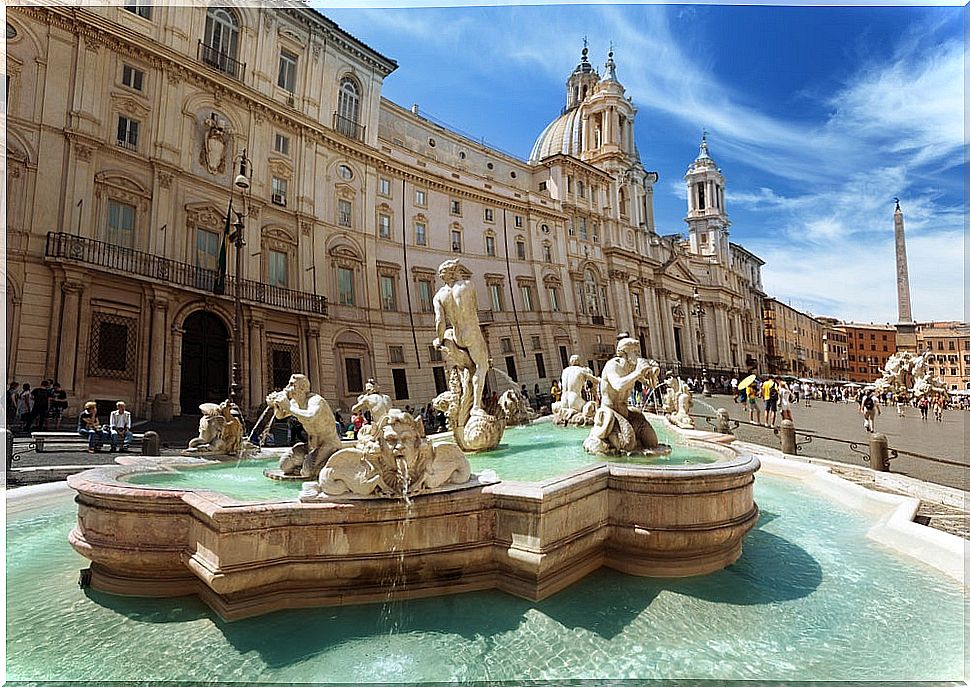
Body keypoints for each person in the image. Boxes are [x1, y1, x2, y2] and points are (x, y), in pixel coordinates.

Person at [432, 259, 491, 415]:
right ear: (455, 272)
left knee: (467, 367)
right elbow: (474, 307)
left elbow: (440, 322)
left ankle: (468, 398)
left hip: (457, 335)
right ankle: (476, 407)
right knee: (482, 366)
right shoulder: (468, 285)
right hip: (471, 332)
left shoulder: (439, 296)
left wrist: (439, 339)